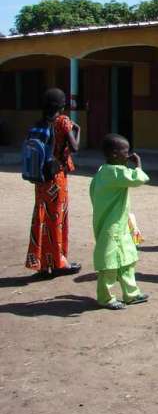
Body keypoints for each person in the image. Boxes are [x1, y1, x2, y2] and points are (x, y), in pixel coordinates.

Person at [25, 88, 82, 277]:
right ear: (62, 105)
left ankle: (42, 264)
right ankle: (58, 262)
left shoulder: (39, 123)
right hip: (57, 178)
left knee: (42, 219)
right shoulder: (63, 121)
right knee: (56, 220)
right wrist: (77, 130)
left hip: (41, 179)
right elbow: (74, 147)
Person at [90, 134, 150, 310]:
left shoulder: (103, 171)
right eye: (126, 151)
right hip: (112, 226)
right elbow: (140, 179)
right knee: (109, 264)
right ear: (115, 154)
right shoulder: (116, 172)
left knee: (127, 259)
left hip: (119, 225)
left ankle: (131, 294)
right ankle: (106, 298)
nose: (129, 154)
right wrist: (138, 164)